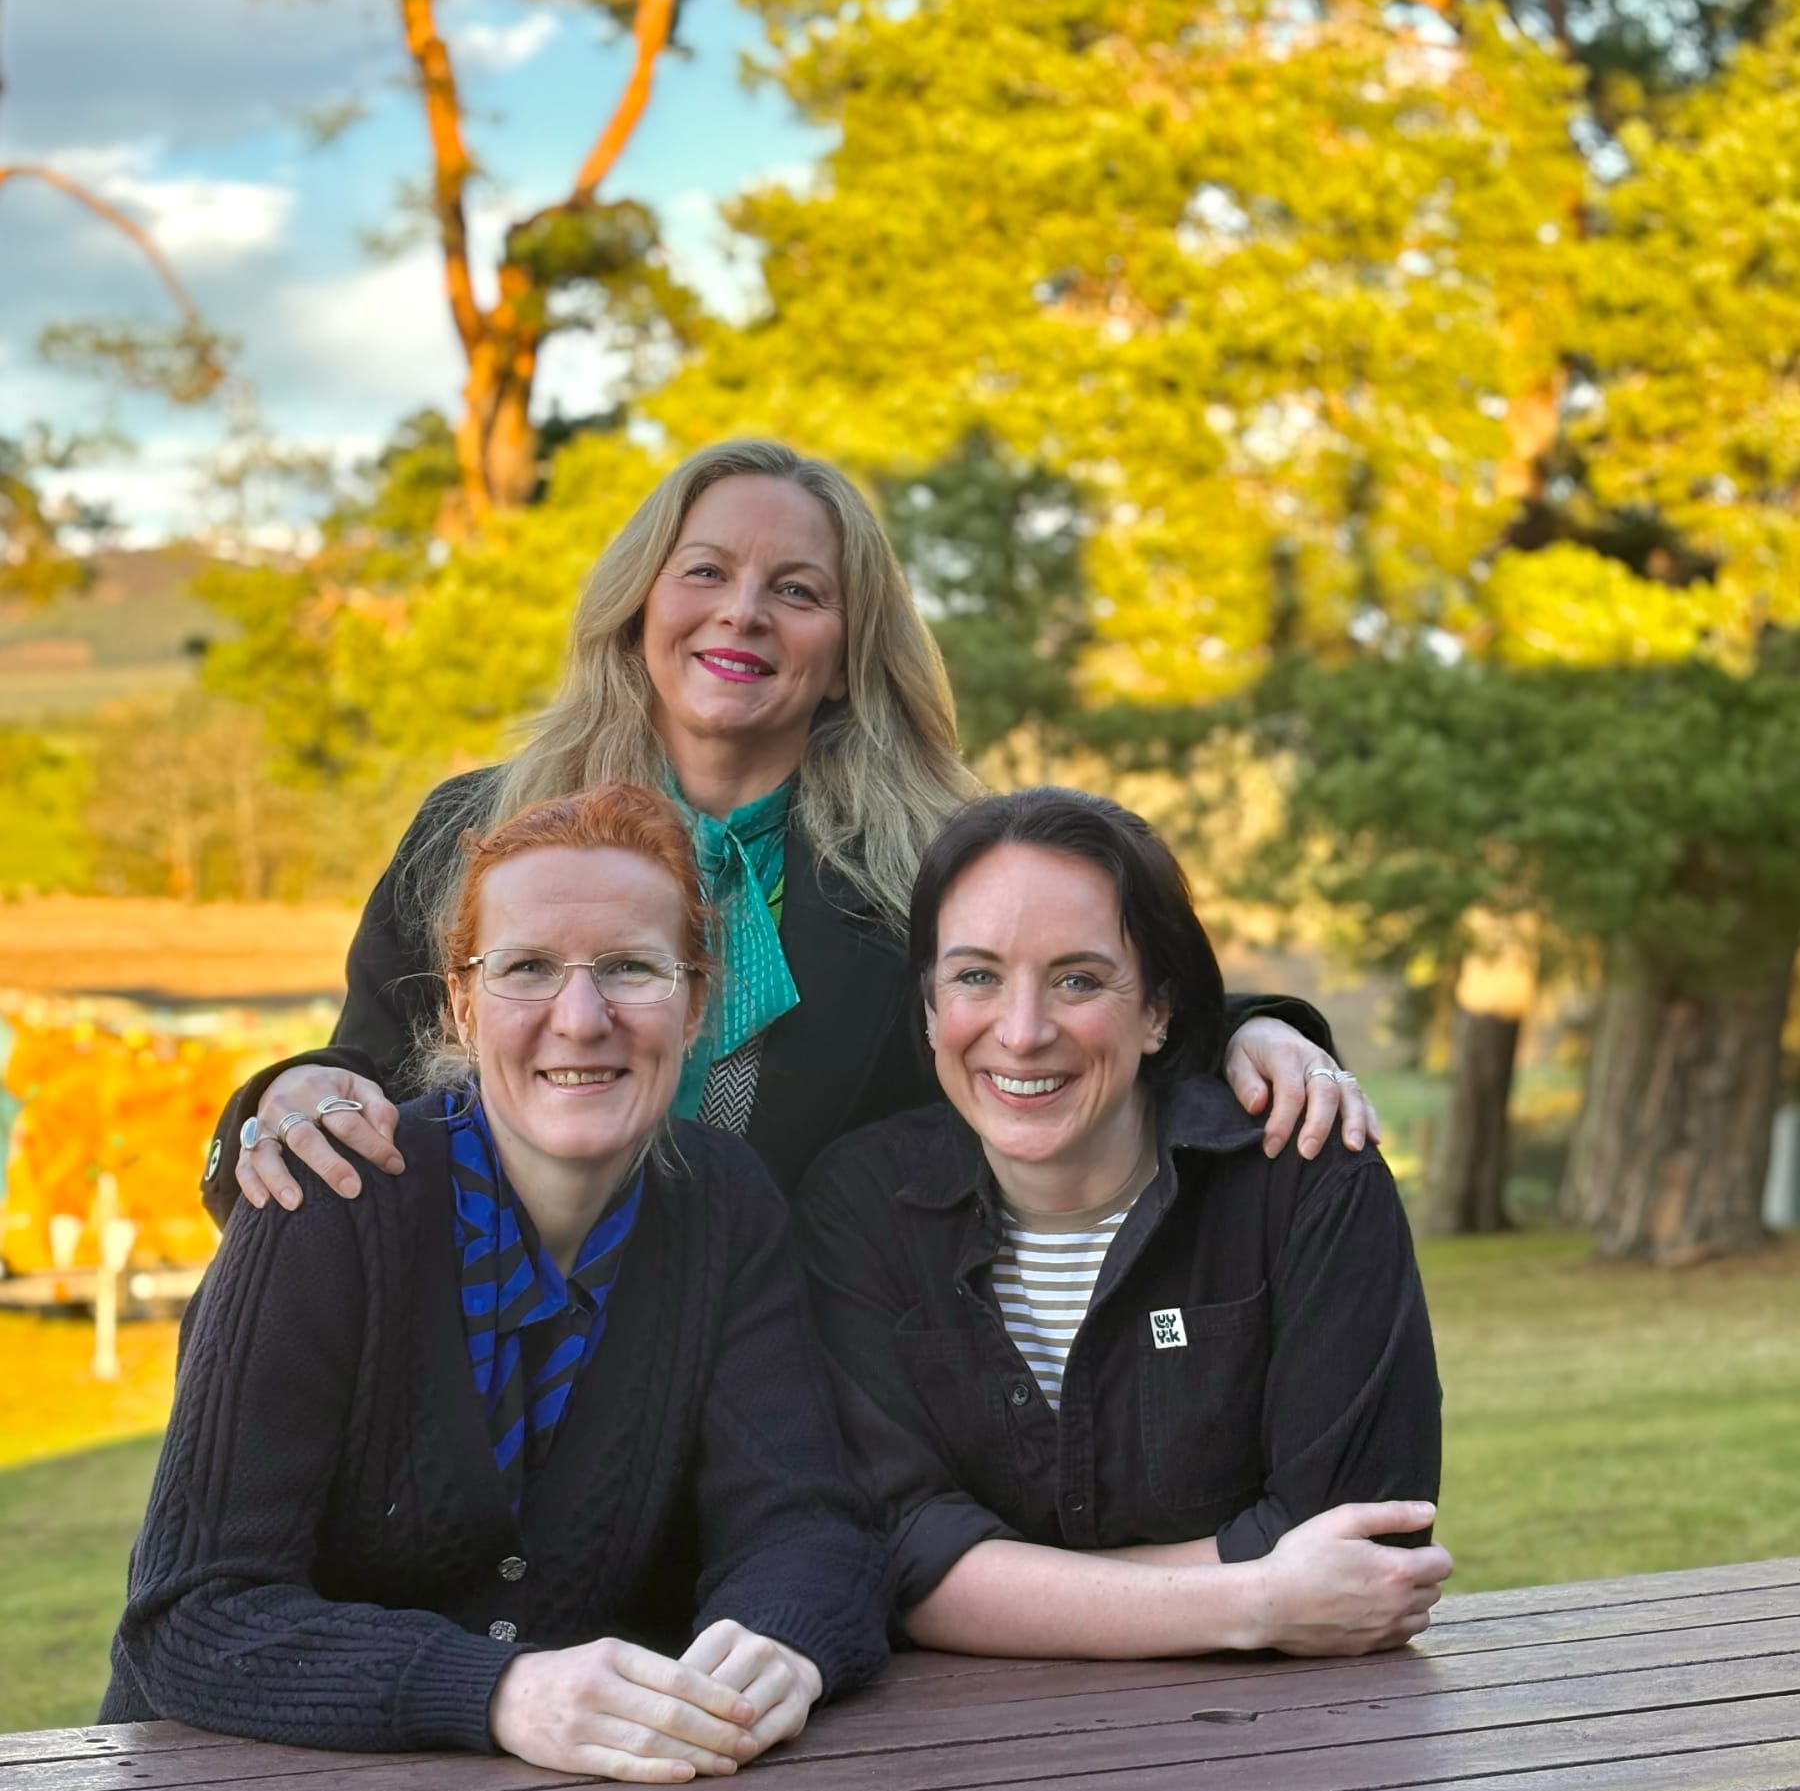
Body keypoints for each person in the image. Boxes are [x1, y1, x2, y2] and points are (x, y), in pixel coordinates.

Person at [101, 781, 887, 1791]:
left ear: (698, 1001)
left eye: (631, 969)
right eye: (527, 968)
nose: (579, 1018)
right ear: (459, 1005)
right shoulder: (330, 1211)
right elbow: (190, 1619)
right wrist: (494, 1694)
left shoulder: (723, 1207)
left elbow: (811, 1523)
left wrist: (783, 1636)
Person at [794, 787, 1472, 1791]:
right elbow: (897, 1552)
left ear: (1165, 1007)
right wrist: (1251, 1595)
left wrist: (1012, 1587)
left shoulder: (1305, 1173)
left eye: (1079, 978)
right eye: (975, 976)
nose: (1021, 1030)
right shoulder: (859, 1206)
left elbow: (1363, 1525)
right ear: (928, 1008)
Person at [201, 439, 1373, 1225]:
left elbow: (1096, 1023)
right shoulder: (474, 831)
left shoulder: (946, 864)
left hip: (821, 1399)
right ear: (639, 604)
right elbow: (364, 1070)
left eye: (798, 591)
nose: (743, 613)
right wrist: (288, 1097)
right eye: (704, 570)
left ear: (850, 646)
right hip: (511, 1379)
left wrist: (1258, 1036)